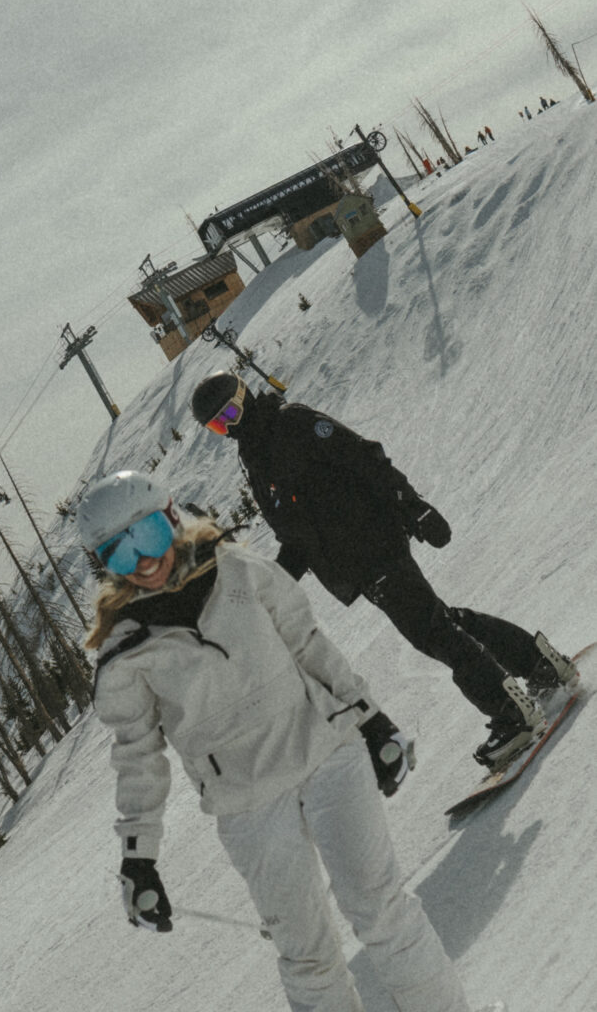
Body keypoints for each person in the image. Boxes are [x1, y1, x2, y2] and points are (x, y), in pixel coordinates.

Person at [76, 470, 476, 1012]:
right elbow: (137, 758)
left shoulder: (239, 570)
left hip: (326, 754)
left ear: (170, 518)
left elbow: (308, 645)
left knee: (381, 911)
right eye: (120, 554)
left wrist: (372, 721)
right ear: (106, 565)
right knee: (305, 956)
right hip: (249, 807)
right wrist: (138, 859)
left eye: (146, 535)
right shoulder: (125, 655)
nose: (143, 561)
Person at [190, 373, 578, 769]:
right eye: (219, 423)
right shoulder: (257, 461)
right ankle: (538, 664)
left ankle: (512, 714)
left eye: (233, 411)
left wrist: (413, 504)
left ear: (245, 395)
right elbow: (299, 536)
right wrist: (273, 586)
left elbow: (365, 456)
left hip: (374, 542)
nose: (231, 426)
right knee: (439, 620)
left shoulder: (291, 424)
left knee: (431, 630)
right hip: (353, 565)